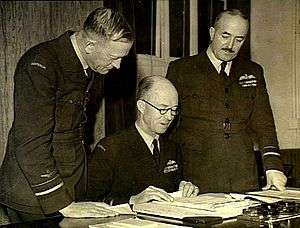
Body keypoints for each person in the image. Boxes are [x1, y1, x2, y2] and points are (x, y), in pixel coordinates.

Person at [0, 7, 134, 222]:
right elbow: (30, 143)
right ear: (90, 45)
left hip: (69, 186)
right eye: (113, 57)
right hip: (35, 195)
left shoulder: (93, 65)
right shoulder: (41, 63)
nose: (118, 65)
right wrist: (62, 203)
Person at [166, 9, 287, 193]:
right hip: (196, 181)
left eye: (239, 39)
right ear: (212, 32)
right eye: (225, 36)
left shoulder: (254, 71)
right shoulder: (181, 70)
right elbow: (168, 130)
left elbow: (265, 124)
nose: (231, 45)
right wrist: (172, 177)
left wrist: (273, 167)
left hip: (243, 178)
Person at [87, 76, 199, 205]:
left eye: (174, 110)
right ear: (141, 106)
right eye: (163, 109)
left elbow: (173, 191)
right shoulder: (110, 148)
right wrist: (131, 201)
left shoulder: (173, 148)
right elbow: (89, 202)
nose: (169, 117)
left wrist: (185, 188)